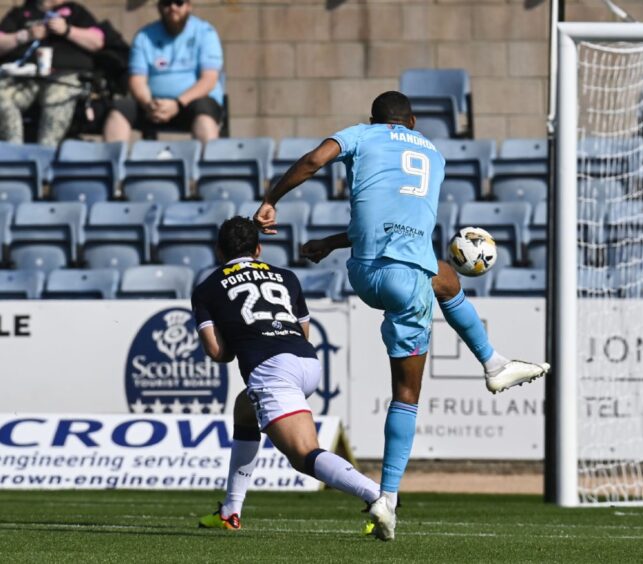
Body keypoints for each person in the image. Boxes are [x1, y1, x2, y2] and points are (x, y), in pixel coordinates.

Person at [252, 91, 549, 541]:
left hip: (366, 273)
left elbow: (316, 162)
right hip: (407, 279)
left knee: (445, 278)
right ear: (410, 121)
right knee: (407, 393)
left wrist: (273, 198)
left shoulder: (361, 135)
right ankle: (388, 497)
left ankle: (494, 363)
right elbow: (395, 211)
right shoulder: (433, 153)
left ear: (372, 120)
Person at [193, 216, 381, 531]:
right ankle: (230, 511)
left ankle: (377, 496)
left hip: (271, 370)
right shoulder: (286, 277)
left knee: (303, 455)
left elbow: (217, 353)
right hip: (307, 363)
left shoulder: (207, 288)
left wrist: (239, 339)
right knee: (245, 410)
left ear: (218, 251)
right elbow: (303, 331)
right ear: (258, 248)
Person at [103, 0, 222, 143]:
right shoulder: (144, 36)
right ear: (159, 7)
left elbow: (209, 80)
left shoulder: (206, 33)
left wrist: (178, 104)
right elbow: (137, 80)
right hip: (153, 106)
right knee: (119, 109)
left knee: (205, 113)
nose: (173, 7)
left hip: (190, 104)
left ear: (189, 6)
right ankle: (114, 163)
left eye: (179, 2)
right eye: (166, 3)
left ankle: (206, 163)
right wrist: (148, 104)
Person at [0, 0, 105, 145]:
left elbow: (97, 41)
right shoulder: (20, 13)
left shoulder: (75, 11)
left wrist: (67, 30)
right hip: (23, 78)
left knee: (56, 99)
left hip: (63, 78)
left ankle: (45, 154)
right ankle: (13, 154)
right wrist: (25, 35)